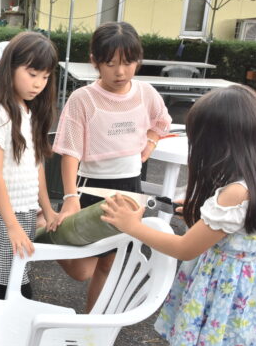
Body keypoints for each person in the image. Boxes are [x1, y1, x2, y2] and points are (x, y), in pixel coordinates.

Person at [100, 85, 256, 346]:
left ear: (220, 142)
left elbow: (185, 248)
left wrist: (131, 225)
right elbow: (238, 230)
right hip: (253, 307)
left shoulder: (234, 193)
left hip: (219, 306)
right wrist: (204, 216)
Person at [52, 21, 171, 312]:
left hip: (130, 190)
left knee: (110, 261)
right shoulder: (83, 99)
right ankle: (48, 227)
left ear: (138, 60)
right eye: (110, 63)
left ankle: (93, 327)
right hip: (91, 189)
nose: (120, 72)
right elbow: (69, 152)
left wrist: (150, 144)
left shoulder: (146, 93)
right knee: (82, 269)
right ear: (95, 61)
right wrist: (70, 199)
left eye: (128, 63)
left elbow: (162, 121)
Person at [0, 32, 59, 303]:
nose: (39, 83)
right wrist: (12, 225)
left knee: (14, 280)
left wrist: (47, 208)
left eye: (45, 76)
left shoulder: (27, 109)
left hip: (23, 210)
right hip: (0, 213)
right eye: (32, 74)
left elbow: (36, 164)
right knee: (14, 288)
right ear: (10, 67)